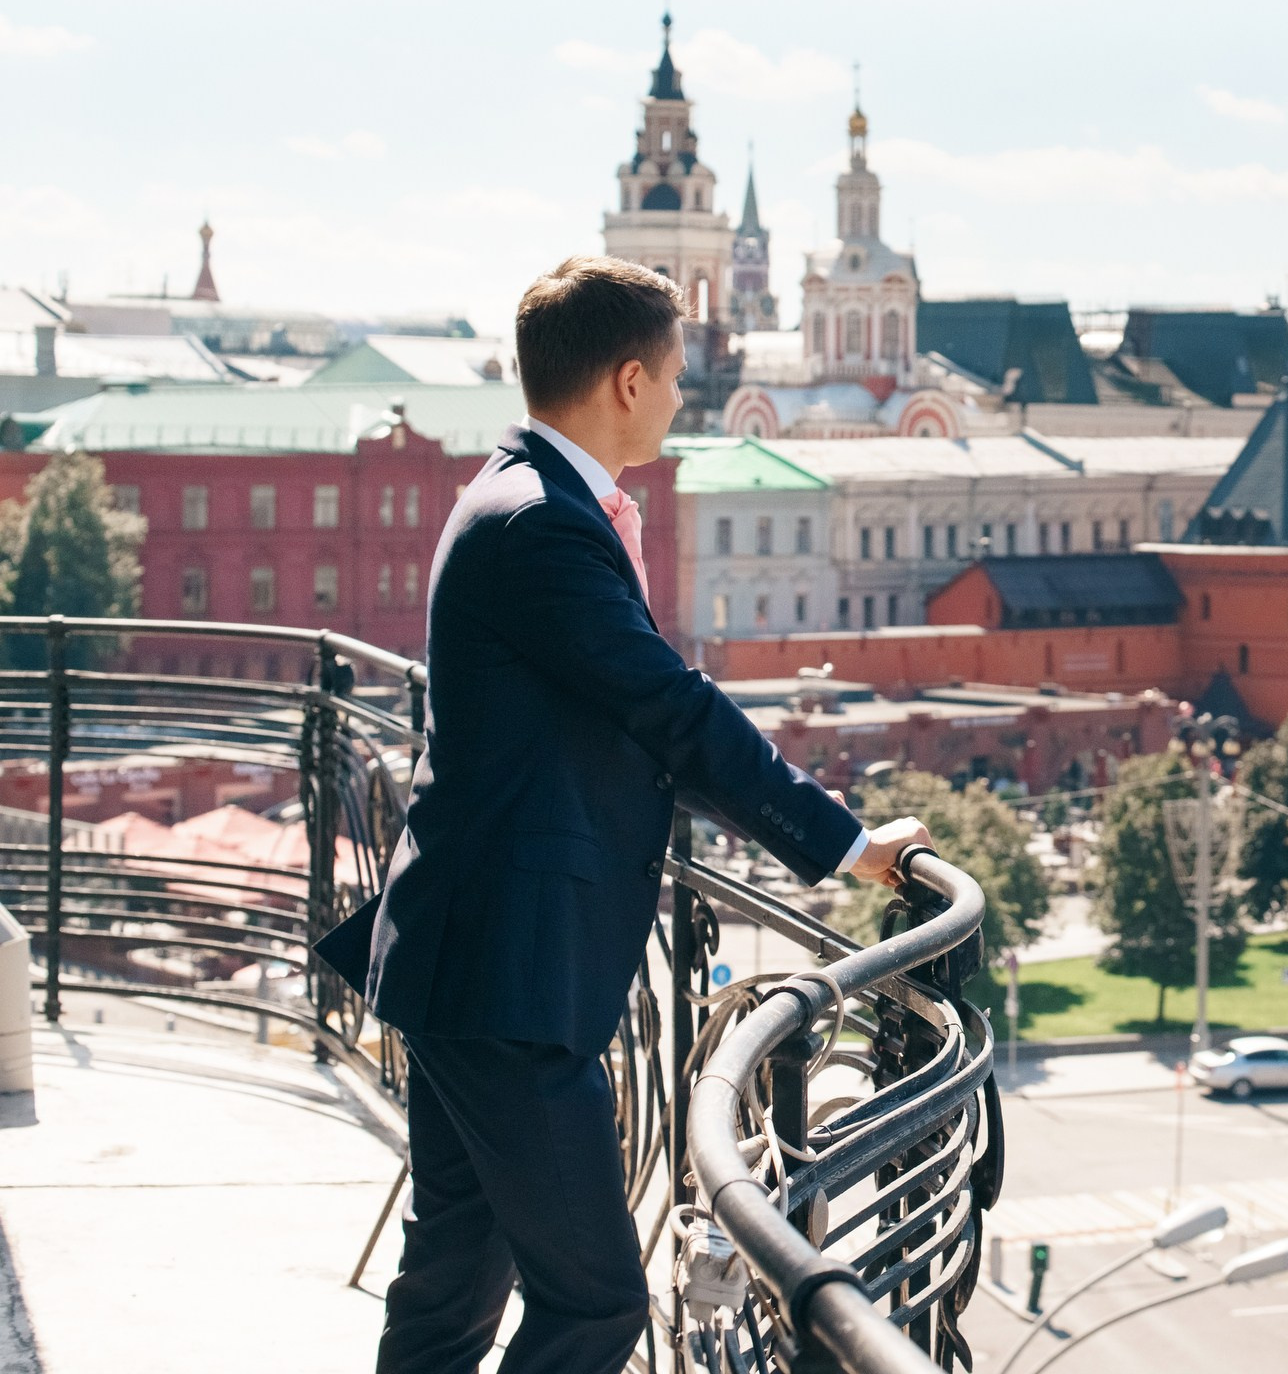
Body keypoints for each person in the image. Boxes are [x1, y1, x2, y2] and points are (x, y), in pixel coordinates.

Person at [318, 256, 928, 1374]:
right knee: (594, 1305)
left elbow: (624, 716)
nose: (689, 394)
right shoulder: (541, 522)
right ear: (631, 379)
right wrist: (844, 842)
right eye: (682, 374)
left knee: (455, 1281)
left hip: (474, 956)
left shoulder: (514, 495)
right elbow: (668, 705)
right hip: (508, 972)